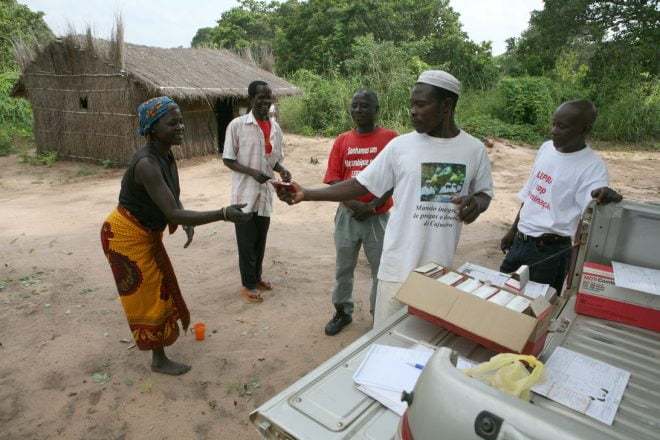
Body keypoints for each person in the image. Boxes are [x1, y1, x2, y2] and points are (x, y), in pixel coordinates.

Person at [277, 71, 494, 326]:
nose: (413, 111)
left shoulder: (473, 149)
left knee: (424, 342)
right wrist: (306, 194)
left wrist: (477, 204)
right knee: (387, 337)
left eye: (421, 104)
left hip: (439, 270)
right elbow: (360, 184)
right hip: (396, 267)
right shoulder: (400, 146)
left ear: (446, 105)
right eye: (412, 104)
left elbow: (484, 193)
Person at [100, 96, 251, 375]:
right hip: (125, 236)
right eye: (173, 122)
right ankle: (158, 359)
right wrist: (223, 213)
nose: (181, 126)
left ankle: (160, 349)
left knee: (160, 287)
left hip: (143, 232)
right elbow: (172, 212)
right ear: (153, 128)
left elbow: (171, 199)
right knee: (151, 294)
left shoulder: (165, 153)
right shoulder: (147, 163)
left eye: (181, 121)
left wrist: (184, 217)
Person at [500, 99, 622, 293]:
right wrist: (513, 231)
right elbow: (532, 195)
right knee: (502, 293)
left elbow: (595, 201)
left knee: (535, 307)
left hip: (549, 252)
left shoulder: (592, 167)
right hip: (520, 242)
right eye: (554, 124)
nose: (554, 130)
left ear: (584, 129)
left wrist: (604, 195)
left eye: (562, 126)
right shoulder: (546, 148)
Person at [323, 89, 398, 335]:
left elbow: (396, 178)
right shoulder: (342, 140)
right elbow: (334, 179)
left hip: (378, 216)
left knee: (381, 269)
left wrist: (374, 205)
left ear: (376, 110)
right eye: (354, 106)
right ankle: (342, 311)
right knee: (344, 267)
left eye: (364, 106)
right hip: (347, 215)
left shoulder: (390, 139)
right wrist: (354, 204)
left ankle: (379, 316)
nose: (358, 111)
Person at [223, 80, 292, 303]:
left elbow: (273, 160)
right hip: (245, 194)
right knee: (246, 242)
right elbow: (228, 159)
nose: (265, 102)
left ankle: (258, 277)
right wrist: (252, 172)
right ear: (251, 99)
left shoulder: (275, 128)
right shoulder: (237, 125)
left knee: (259, 241)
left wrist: (282, 170)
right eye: (260, 97)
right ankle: (249, 284)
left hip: (265, 195)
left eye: (268, 98)